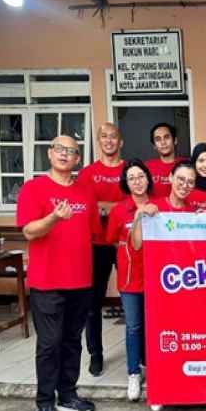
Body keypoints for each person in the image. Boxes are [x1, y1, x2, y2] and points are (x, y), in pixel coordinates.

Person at [17, 135, 100, 411]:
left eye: (72, 151)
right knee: (49, 344)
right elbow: (29, 231)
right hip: (47, 282)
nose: (65, 154)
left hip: (80, 280)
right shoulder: (33, 189)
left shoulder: (85, 192)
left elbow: (92, 233)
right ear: (50, 153)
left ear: (78, 159)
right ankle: (44, 402)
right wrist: (53, 217)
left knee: (72, 341)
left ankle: (67, 394)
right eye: (60, 149)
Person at [76, 122, 126, 377]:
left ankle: (142, 354)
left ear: (120, 141)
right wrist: (115, 207)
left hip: (124, 243)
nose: (108, 141)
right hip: (96, 244)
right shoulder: (87, 174)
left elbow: (135, 202)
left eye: (113, 136)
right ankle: (95, 354)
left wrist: (104, 207)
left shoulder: (129, 170)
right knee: (92, 304)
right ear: (98, 141)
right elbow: (84, 206)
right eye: (104, 136)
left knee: (135, 300)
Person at [105, 159, 154, 401]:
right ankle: (133, 373)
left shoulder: (158, 205)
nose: (137, 181)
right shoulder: (119, 210)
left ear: (148, 179)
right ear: (126, 183)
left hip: (156, 276)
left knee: (153, 325)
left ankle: (151, 367)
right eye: (132, 178)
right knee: (134, 326)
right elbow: (111, 239)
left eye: (141, 176)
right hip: (130, 278)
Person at [145, 123, 184, 198]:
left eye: (166, 137)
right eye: (158, 139)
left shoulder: (186, 165)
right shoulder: (147, 167)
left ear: (175, 140)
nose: (163, 142)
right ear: (154, 146)